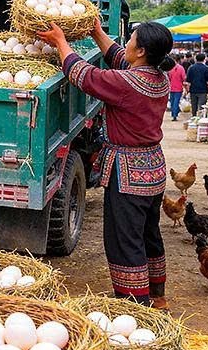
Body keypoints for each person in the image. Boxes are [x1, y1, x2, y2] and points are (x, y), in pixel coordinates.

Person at [37, 19, 175, 308]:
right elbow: (118, 57)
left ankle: (135, 305)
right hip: (153, 169)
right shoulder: (158, 78)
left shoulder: (127, 84)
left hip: (128, 174)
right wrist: (97, 32)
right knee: (149, 233)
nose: (126, 44)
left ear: (141, 51)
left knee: (125, 239)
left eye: (131, 40)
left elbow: (83, 75)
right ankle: (157, 296)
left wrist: (61, 42)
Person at [167, 55, 186, 121]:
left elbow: (168, 78)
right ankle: (175, 115)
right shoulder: (181, 68)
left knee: (172, 101)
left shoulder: (169, 68)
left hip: (171, 87)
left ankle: (173, 114)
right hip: (178, 87)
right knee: (176, 101)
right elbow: (184, 78)